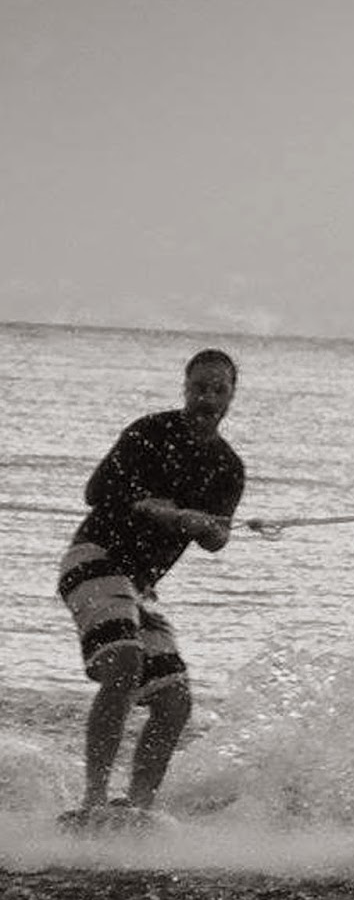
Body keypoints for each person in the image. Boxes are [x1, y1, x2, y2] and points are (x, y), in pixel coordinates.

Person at [55, 349, 246, 822]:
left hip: (138, 586)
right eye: (199, 387)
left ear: (230, 396)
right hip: (94, 558)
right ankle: (94, 801)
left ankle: (137, 809)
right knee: (124, 661)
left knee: (174, 699)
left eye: (217, 389)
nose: (207, 397)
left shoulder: (227, 467)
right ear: (185, 387)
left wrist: (210, 529)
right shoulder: (149, 433)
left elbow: (218, 539)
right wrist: (162, 510)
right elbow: (95, 492)